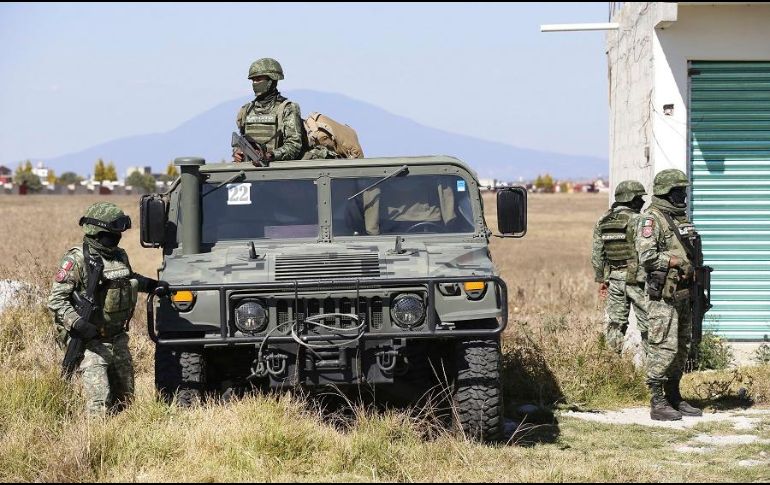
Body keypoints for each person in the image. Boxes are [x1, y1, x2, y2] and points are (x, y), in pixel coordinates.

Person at [47, 202, 167, 416]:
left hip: (118, 337)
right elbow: (56, 300)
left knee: (126, 400)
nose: (118, 237)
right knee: (99, 404)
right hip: (91, 342)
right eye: (113, 233)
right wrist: (79, 323)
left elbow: (129, 278)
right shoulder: (76, 259)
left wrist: (152, 285)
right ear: (98, 231)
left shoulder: (119, 255)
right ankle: (96, 445)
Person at [636, 169, 703, 421]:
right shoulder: (652, 219)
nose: (683, 195)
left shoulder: (680, 218)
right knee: (664, 346)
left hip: (684, 292)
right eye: (678, 191)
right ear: (666, 192)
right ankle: (657, 400)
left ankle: (674, 395)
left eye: (683, 191)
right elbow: (647, 256)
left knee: (682, 347)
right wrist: (675, 261)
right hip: (664, 294)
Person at [591, 180, 649, 355]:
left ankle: (611, 366)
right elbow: (647, 251)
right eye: (639, 198)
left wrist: (601, 279)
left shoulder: (603, 220)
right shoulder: (639, 220)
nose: (642, 202)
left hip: (614, 279)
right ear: (631, 199)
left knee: (615, 324)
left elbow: (597, 254)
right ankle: (651, 371)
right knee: (648, 325)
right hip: (638, 279)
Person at [233, 58, 305, 163]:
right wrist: (237, 152)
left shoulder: (287, 108)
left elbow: (294, 146)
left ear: (272, 80)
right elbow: (242, 141)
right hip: (248, 171)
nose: (255, 83)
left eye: (258, 79)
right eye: (253, 80)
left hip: (276, 171)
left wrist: (270, 155)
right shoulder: (246, 110)